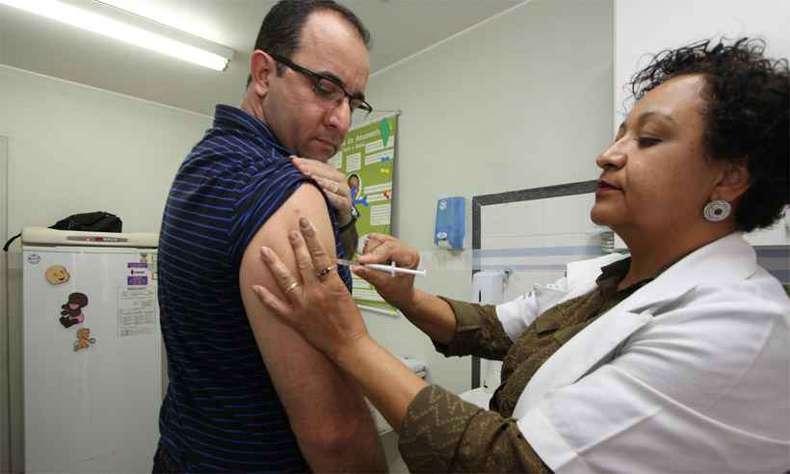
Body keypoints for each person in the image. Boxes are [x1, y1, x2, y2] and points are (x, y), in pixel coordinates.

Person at [252, 37, 790, 473]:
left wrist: (348, 341)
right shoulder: (615, 280)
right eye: (620, 133)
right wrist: (407, 296)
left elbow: (511, 463)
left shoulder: (738, 325)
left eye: (648, 140)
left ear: (729, 177)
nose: (608, 154)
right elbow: (492, 328)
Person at [153, 1, 385, 472]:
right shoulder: (287, 195)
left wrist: (342, 224)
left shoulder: (205, 162)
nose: (342, 119)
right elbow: (334, 434)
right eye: (325, 87)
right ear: (263, 74)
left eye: (353, 102)